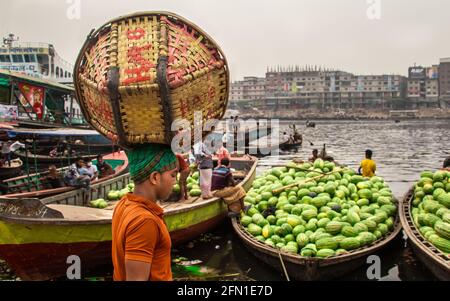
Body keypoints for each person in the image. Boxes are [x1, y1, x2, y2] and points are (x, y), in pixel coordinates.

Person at [112, 144, 178, 281]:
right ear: (155, 177)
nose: (175, 181)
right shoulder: (144, 221)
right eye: (173, 175)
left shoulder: (123, 204)